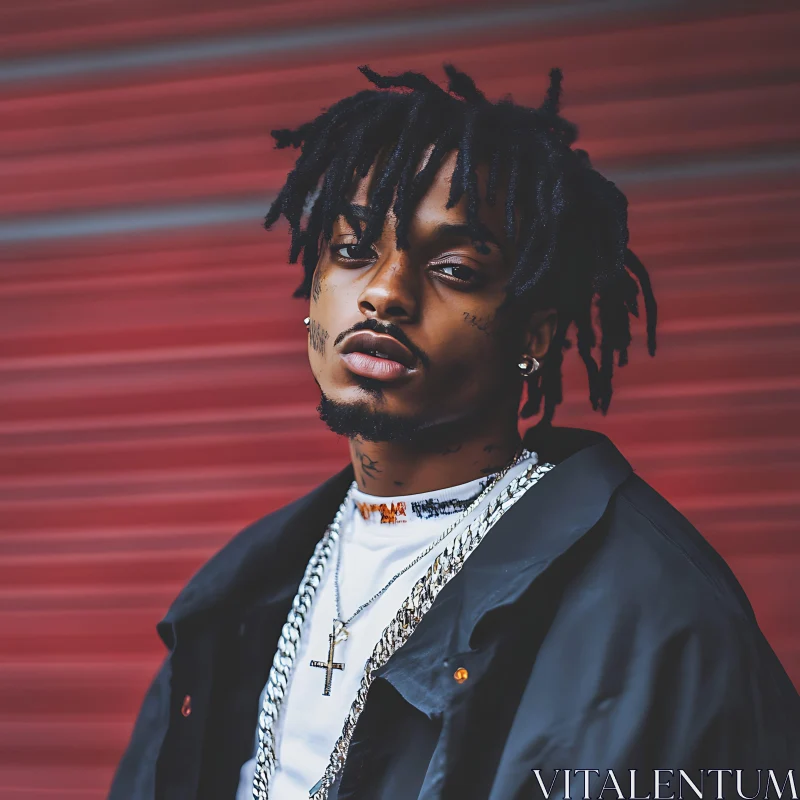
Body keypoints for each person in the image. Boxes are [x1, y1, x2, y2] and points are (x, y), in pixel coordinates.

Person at [108, 65, 799, 800]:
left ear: (534, 332)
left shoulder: (660, 615)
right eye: (352, 250)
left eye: (454, 268)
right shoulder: (243, 589)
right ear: (312, 295)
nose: (383, 292)